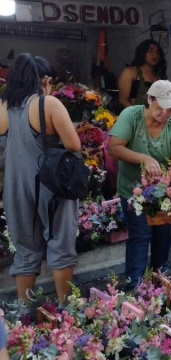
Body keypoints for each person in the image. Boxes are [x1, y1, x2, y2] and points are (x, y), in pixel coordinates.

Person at [0, 53, 81, 305]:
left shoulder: (2, 106)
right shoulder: (48, 104)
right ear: (44, 79)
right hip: (51, 186)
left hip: (14, 187)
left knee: (25, 251)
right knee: (61, 247)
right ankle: (66, 309)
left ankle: (25, 311)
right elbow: (73, 144)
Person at [109, 80, 171, 291]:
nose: (165, 113)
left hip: (162, 190)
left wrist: (166, 181)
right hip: (132, 188)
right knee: (140, 234)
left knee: (164, 232)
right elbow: (114, 147)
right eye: (160, 106)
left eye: (170, 109)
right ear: (149, 99)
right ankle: (134, 281)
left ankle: (159, 277)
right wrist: (143, 158)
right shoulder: (132, 116)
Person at [118, 39, 167, 108]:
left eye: (157, 52)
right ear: (142, 53)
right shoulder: (130, 72)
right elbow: (123, 100)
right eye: (150, 51)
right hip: (133, 115)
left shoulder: (158, 77)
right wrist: (138, 115)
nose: (155, 54)